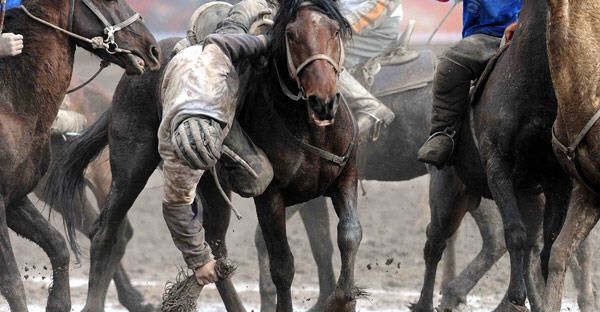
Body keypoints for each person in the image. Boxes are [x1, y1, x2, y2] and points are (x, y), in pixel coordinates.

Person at [160, 33, 270, 285]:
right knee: (256, 179)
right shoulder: (175, 157)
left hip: (201, 72)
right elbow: (175, 206)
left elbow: (223, 42)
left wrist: (265, 41)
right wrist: (199, 259)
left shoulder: (215, 60)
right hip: (182, 82)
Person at [216, 0, 397, 141]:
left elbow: (378, 6)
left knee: (321, 56)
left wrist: (332, 26)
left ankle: (370, 106)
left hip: (372, 28)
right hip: (338, 21)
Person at [417, 0, 522, 167]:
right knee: (450, 65)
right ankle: (444, 133)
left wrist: (521, 24)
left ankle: (443, 132)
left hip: (520, 35)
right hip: (484, 39)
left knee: (451, 61)